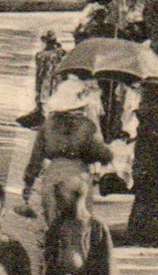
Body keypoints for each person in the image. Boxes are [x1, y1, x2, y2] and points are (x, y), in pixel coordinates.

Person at [22, 76, 112, 226]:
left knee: (52, 225)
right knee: (80, 224)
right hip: (77, 175)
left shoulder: (49, 124)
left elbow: (36, 157)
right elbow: (102, 153)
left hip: (53, 173)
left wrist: (28, 182)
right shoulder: (87, 126)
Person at [33, 32, 65, 115]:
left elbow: (39, 70)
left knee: (43, 98)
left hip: (45, 78)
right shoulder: (59, 53)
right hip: (55, 78)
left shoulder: (41, 55)